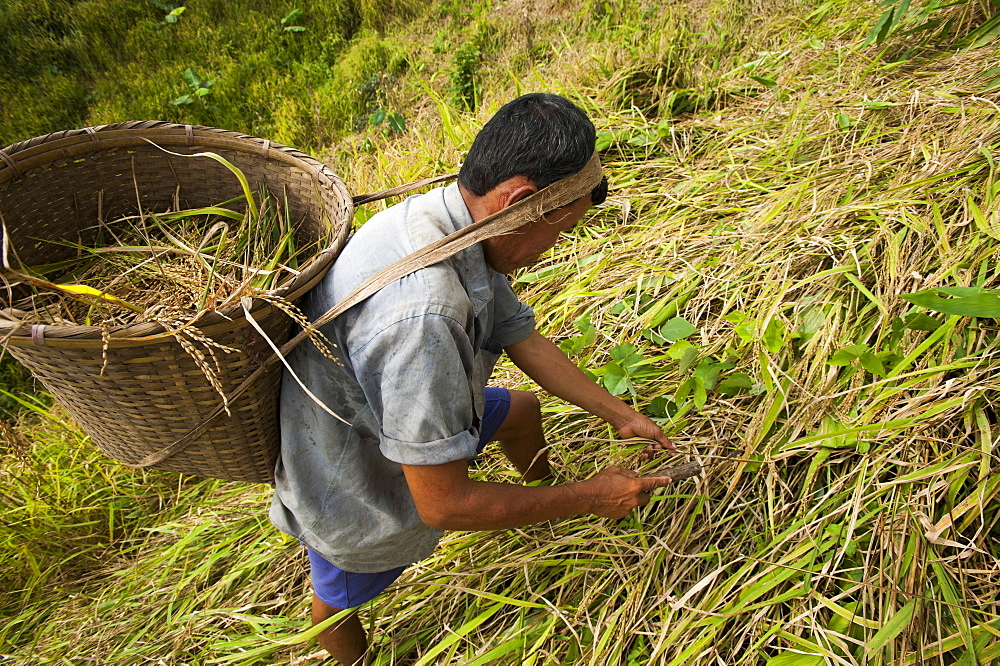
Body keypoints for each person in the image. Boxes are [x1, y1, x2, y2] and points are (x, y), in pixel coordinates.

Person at [270, 92, 675, 665]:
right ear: (522, 201)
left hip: (414, 402)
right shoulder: (424, 316)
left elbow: (523, 338)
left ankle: (538, 501)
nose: (554, 247)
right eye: (562, 230)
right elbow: (444, 504)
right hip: (351, 465)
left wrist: (621, 414)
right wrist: (590, 497)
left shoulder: (453, 220)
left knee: (521, 411)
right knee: (336, 601)